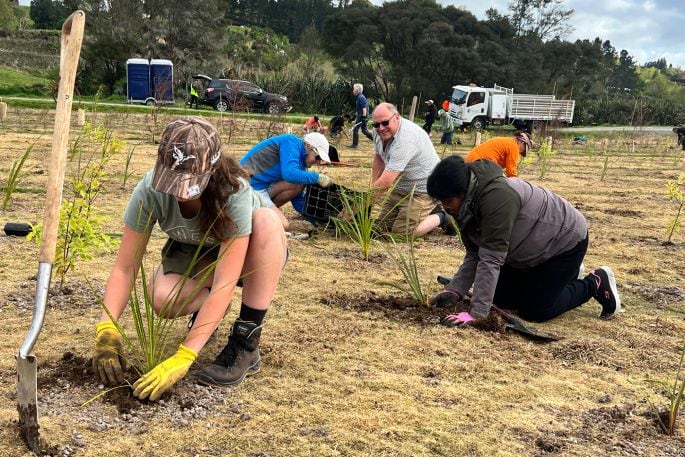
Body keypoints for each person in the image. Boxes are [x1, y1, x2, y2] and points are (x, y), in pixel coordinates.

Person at [92, 117, 287, 400]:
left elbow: (225, 281)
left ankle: (245, 342)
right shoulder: (149, 191)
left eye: (188, 185)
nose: (178, 194)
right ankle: (207, 318)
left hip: (253, 252)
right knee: (162, 298)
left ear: (212, 170)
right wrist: (106, 327)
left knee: (268, 220)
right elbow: (125, 267)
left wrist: (186, 354)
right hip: (192, 253)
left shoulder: (234, 192)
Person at [426, 155, 622, 327]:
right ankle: (564, 276)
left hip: (563, 242)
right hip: (528, 248)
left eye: (448, 202)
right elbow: (475, 253)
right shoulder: (464, 205)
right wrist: (455, 290)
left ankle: (594, 282)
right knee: (500, 299)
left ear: (462, 191)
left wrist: (476, 314)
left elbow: (490, 259)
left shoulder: (496, 199)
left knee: (535, 310)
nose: (446, 208)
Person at [369, 102, 440, 234]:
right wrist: (373, 187)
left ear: (396, 118)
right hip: (400, 189)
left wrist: (364, 202)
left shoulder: (406, 139)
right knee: (381, 228)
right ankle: (425, 212)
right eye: (376, 124)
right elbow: (379, 156)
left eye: (385, 123)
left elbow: (385, 182)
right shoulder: (377, 132)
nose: (380, 128)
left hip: (423, 191)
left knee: (401, 233)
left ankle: (442, 216)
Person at [240, 132, 333, 229]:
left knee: (300, 184)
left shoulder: (301, 165)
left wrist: (322, 218)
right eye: (317, 157)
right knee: (283, 225)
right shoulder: (290, 142)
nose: (318, 162)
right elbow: (289, 174)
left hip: (262, 188)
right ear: (307, 146)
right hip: (246, 185)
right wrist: (317, 177)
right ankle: (250, 214)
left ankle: (260, 211)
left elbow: (298, 200)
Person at [465, 131, 532, 177]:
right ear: (522, 143)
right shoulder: (514, 147)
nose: (521, 152)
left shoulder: (507, 141)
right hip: (480, 164)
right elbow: (511, 173)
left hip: (471, 161)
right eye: (524, 150)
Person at [348, 83, 373, 148]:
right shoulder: (358, 97)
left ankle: (354, 144)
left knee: (355, 129)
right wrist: (354, 117)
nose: (353, 90)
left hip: (362, 116)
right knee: (364, 130)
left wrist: (364, 117)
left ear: (357, 90)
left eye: (354, 89)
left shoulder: (361, 97)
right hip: (361, 115)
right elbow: (359, 109)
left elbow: (364, 108)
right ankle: (375, 139)